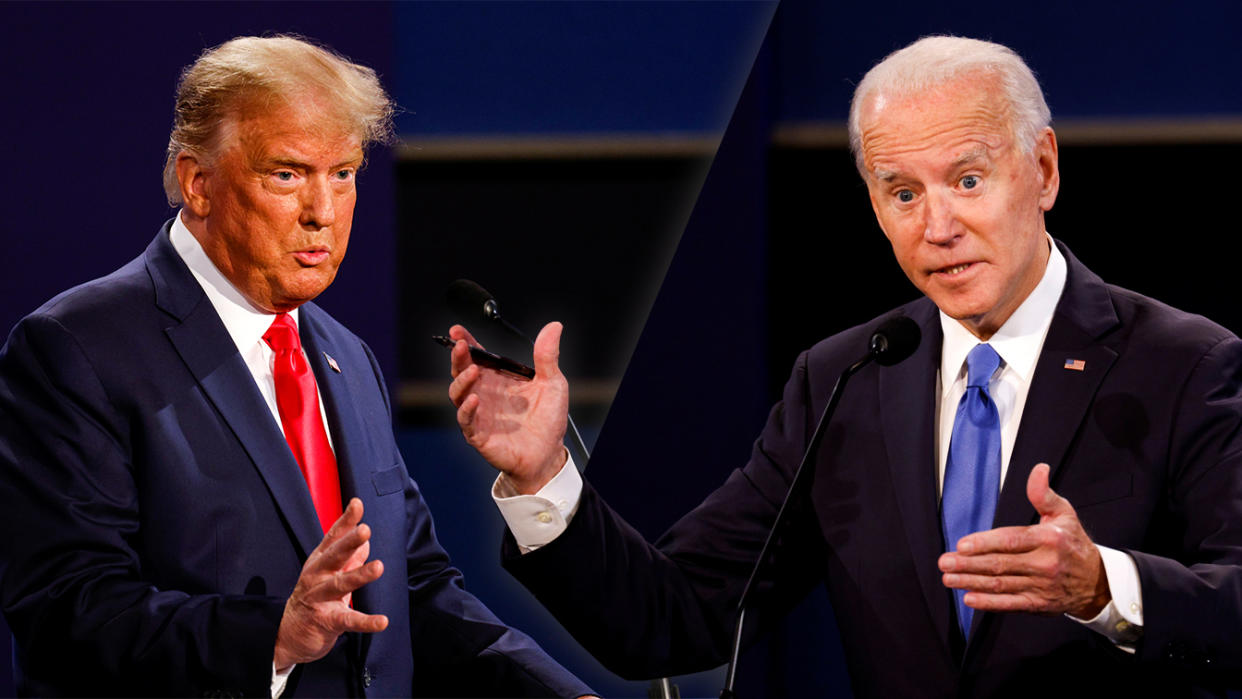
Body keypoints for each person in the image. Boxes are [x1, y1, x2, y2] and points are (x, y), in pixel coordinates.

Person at [446, 36, 1242, 697]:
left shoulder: (1185, 364)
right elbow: (674, 615)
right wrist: (545, 475)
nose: (938, 225)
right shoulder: (847, 378)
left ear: (1043, 170)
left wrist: (1106, 587)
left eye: (968, 180)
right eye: (901, 192)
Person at [0, 35, 592, 698]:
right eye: (288, 173)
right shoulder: (76, 349)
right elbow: (67, 611)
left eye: (343, 173)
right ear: (199, 182)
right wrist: (273, 637)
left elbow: (413, 588)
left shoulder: (346, 356)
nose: (324, 212)